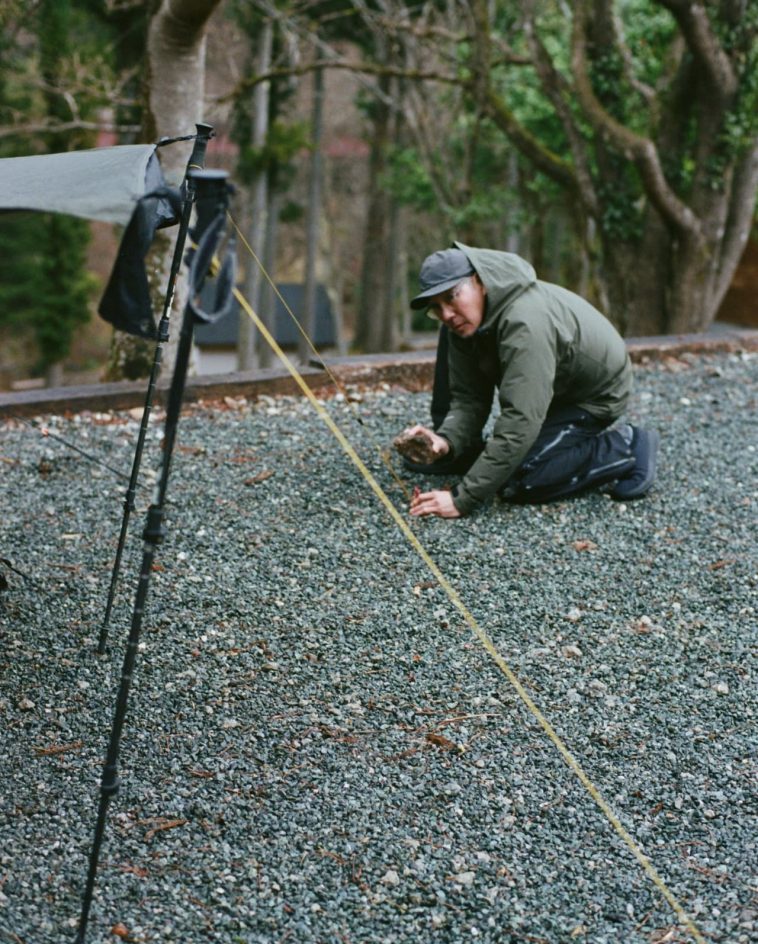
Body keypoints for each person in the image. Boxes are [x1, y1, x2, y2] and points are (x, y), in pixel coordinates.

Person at [399, 243, 659, 519]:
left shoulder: (525, 323)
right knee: (503, 465)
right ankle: (493, 451)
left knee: (520, 481)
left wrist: (463, 498)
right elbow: (469, 399)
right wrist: (446, 441)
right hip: (553, 390)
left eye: (452, 296)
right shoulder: (464, 324)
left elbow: (520, 419)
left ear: (480, 282)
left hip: (593, 396)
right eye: (436, 307)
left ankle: (627, 446)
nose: (447, 314)